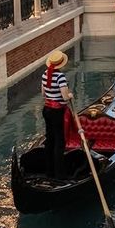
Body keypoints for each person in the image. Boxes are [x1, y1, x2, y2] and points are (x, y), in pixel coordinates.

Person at [41, 49, 72, 178]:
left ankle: (49, 172)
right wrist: (70, 95)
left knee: (50, 140)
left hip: (47, 110)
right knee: (60, 142)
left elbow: (43, 94)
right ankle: (60, 174)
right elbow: (65, 98)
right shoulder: (60, 77)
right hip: (57, 112)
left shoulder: (44, 74)